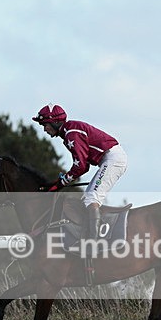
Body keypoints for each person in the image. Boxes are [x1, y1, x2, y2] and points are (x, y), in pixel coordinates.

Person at [32, 104, 128, 243]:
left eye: (45, 124)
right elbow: (84, 165)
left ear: (55, 122)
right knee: (86, 198)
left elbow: (81, 166)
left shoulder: (71, 133)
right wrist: (60, 182)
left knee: (91, 198)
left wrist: (60, 183)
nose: (44, 129)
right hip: (110, 158)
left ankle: (93, 242)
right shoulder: (68, 131)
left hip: (112, 159)